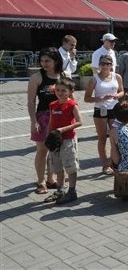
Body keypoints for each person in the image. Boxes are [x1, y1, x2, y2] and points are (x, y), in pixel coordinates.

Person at [28, 47, 64, 194]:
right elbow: (31, 102)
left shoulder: (64, 75)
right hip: (42, 116)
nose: (44, 63)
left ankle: (51, 178)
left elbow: (71, 99)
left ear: (56, 61)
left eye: (48, 60)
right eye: (42, 60)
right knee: (42, 151)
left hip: (60, 116)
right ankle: (40, 181)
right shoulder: (36, 77)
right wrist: (33, 121)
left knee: (55, 150)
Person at [43, 78, 82, 205]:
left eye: (63, 91)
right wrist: (48, 137)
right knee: (57, 166)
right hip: (55, 141)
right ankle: (60, 190)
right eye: (58, 90)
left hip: (68, 140)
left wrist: (62, 129)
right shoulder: (53, 105)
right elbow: (50, 122)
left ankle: (72, 191)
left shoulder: (72, 105)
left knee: (70, 165)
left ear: (71, 91)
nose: (60, 93)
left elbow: (79, 122)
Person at [84, 55, 124, 175]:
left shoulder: (117, 77)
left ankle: (113, 162)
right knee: (102, 138)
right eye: (103, 63)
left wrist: (118, 95)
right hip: (100, 110)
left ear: (112, 65)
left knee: (115, 136)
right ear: (99, 65)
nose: (105, 66)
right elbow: (87, 98)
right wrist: (100, 98)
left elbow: (122, 91)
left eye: (108, 63)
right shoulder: (94, 79)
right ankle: (105, 164)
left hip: (114, 109)